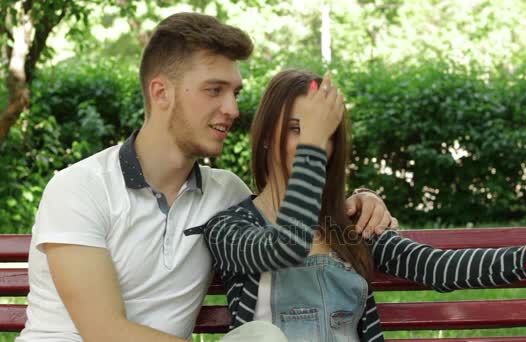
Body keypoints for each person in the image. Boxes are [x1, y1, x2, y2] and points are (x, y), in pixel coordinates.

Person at [16, 13, 396, 342]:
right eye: (214, 90)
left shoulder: (226, 193)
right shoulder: (80, 188)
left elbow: (289, 226)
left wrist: (361, 200)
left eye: (235, 92)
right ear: (161, 92)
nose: (231, 109)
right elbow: (104, 332)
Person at [201, 69, 526, 341]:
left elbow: (437, 268)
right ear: (267, 135)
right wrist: (313, 145)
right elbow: (286, 245)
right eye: (298, 129)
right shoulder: (230, 229)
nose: (312, 143)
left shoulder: (347, 226)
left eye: (322, 135)